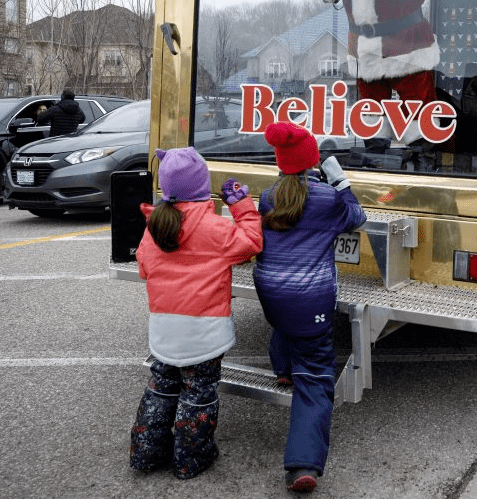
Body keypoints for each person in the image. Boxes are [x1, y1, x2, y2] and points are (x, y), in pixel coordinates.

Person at [130, 147, 262, 479]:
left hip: (164, 327)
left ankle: (146, 454)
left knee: (161, 387)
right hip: (204, 332)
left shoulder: (153, 228)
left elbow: (145, 269)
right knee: (198, 394)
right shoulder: (216, 229)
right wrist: (241, 206)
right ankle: (191, 458)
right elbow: (251, 242)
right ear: (201, 187)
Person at [252, 122, 366, 493]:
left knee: (285, 322)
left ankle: (283, 368)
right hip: (310, 298)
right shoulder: (326, 199)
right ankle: (303, 464)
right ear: (312, 163)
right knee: (316, 379)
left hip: (270, 292)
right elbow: (357, 216)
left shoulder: (268, 197)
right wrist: (339, 180)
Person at [317, 0, 440, 168]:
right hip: (364, 48)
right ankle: (376, 157)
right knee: (371, 111)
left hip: (406, 44)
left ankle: (424, 159)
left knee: (417, 107)